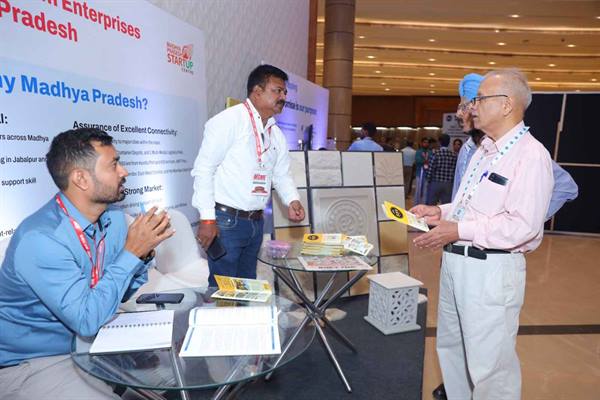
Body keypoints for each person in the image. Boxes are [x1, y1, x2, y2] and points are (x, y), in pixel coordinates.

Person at [432, 72, 579, 400]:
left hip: (490, 271)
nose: (472, 107)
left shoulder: (531, 155)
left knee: (490, 370)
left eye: (480, 99)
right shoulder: (483, 150)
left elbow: (523, 227)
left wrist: (459, 229)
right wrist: (439, 212)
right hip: (457, 264)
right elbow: (467, 205)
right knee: (453, 351)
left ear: (507, 105)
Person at [0, 128, 173, 399]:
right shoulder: (41, 239)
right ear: (80, 178)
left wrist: (142, 254)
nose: (124, 171)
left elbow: (117, 294)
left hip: (96, 340)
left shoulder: (113, 219)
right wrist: (131, 253)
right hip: (37, 361)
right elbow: (86, 320)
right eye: (114, 164)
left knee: (178, 373)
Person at [192, 64, 305, 287]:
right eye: (277, 91)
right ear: (257, 91)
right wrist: (207, 218)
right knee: (224, 289)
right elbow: (204, 169)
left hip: (255, 223)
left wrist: (292, 199)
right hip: (226, 222)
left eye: (284, 92)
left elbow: (281, 174)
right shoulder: (228, 121)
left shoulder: (275, 134)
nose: (283, 97)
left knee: (247, 287)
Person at [425, 134, 457, 205]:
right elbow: (455, 171)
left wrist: (428, 180)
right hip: (448, 184)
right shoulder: (453, 155)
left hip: (435, 182)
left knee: (431, 205)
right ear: (449, 143)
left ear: (439, 142)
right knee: (446, 206)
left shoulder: (435, 154)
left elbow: (430, 169)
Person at [414, 137, 432, 204]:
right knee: (418, 190)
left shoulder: (430, 152)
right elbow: (417, 160)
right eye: (424, 142)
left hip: (427, 174)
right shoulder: (418, 152)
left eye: (427, 143)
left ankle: (424, 204)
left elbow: (431, 161)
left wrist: (426, 161)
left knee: (426, 190)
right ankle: (416, 204)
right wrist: (425, 161)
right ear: (421, 143)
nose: (426, 144)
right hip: (419, 173)